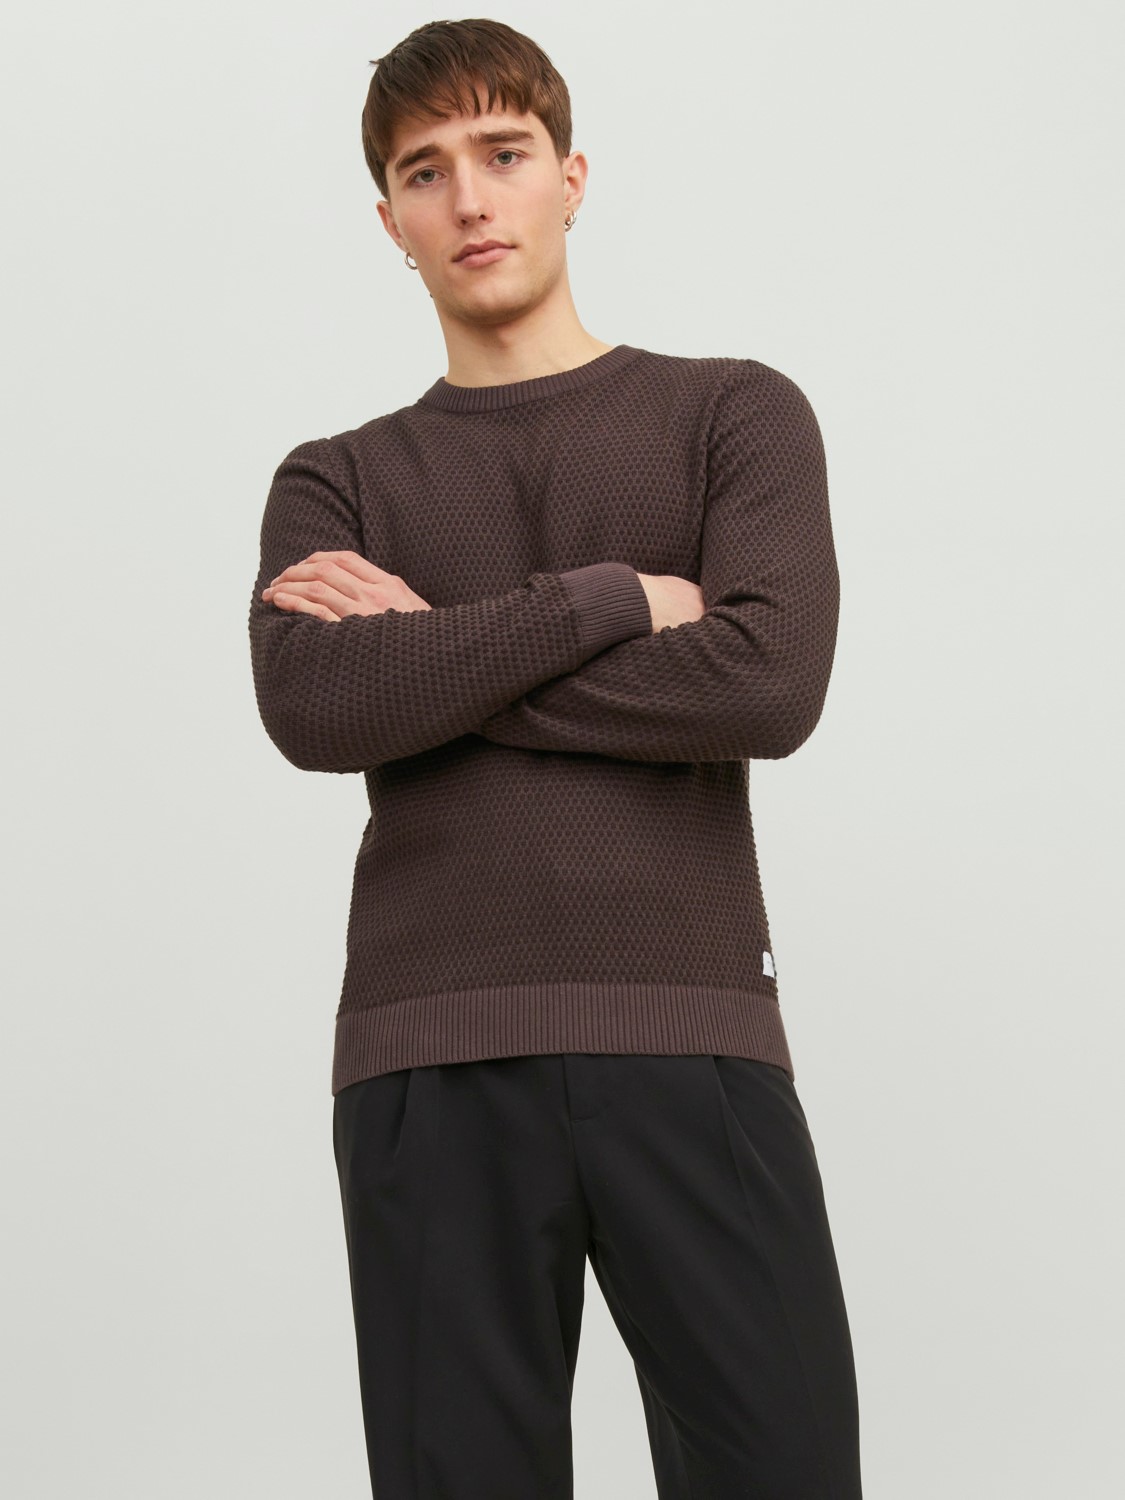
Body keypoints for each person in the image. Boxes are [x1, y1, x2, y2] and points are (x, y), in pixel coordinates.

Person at [248, 17, 863, 1499]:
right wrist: (608, 602)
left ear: (571, 177)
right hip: (426, 1055)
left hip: (691, 1035)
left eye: (504, 153)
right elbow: (316, 709)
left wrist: (431, 659)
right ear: (389, 221)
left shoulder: (731, 413)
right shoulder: (336, 481)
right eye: (425, 171)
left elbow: (767, 681)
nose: (470, 198)